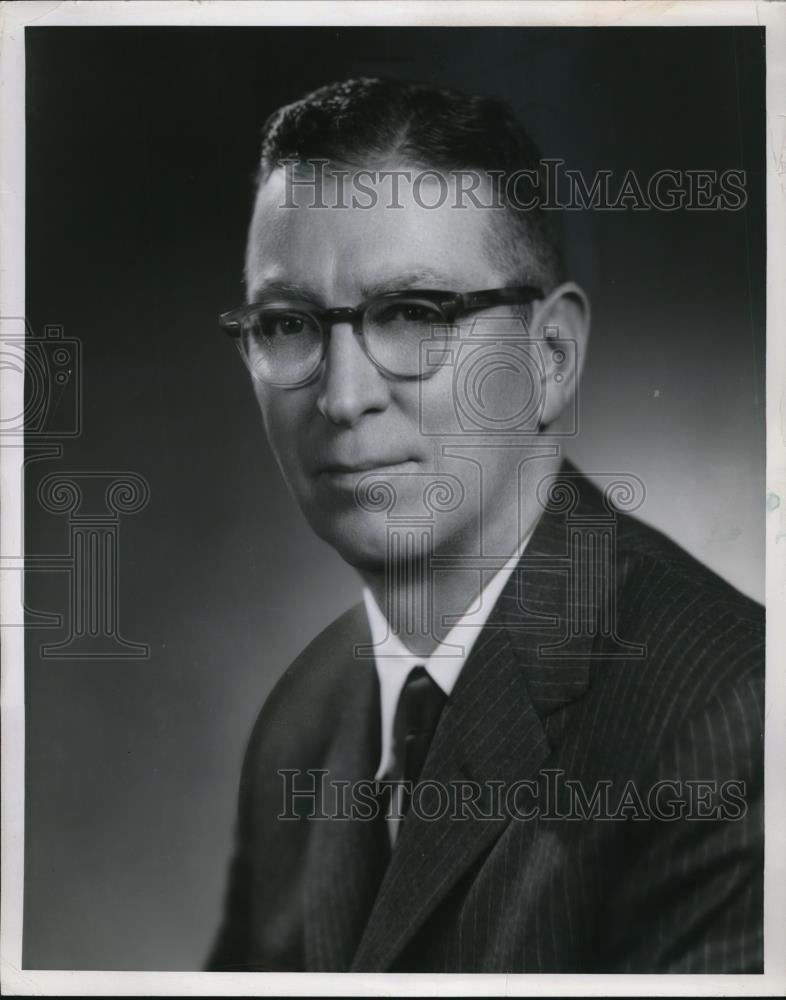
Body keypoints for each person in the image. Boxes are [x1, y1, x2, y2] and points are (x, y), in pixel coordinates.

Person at [206, 78, 764, 973]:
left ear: (550, 357)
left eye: (416, 314)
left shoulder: (731, 720)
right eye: (288, 323)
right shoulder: (300, 728)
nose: (343, 398)